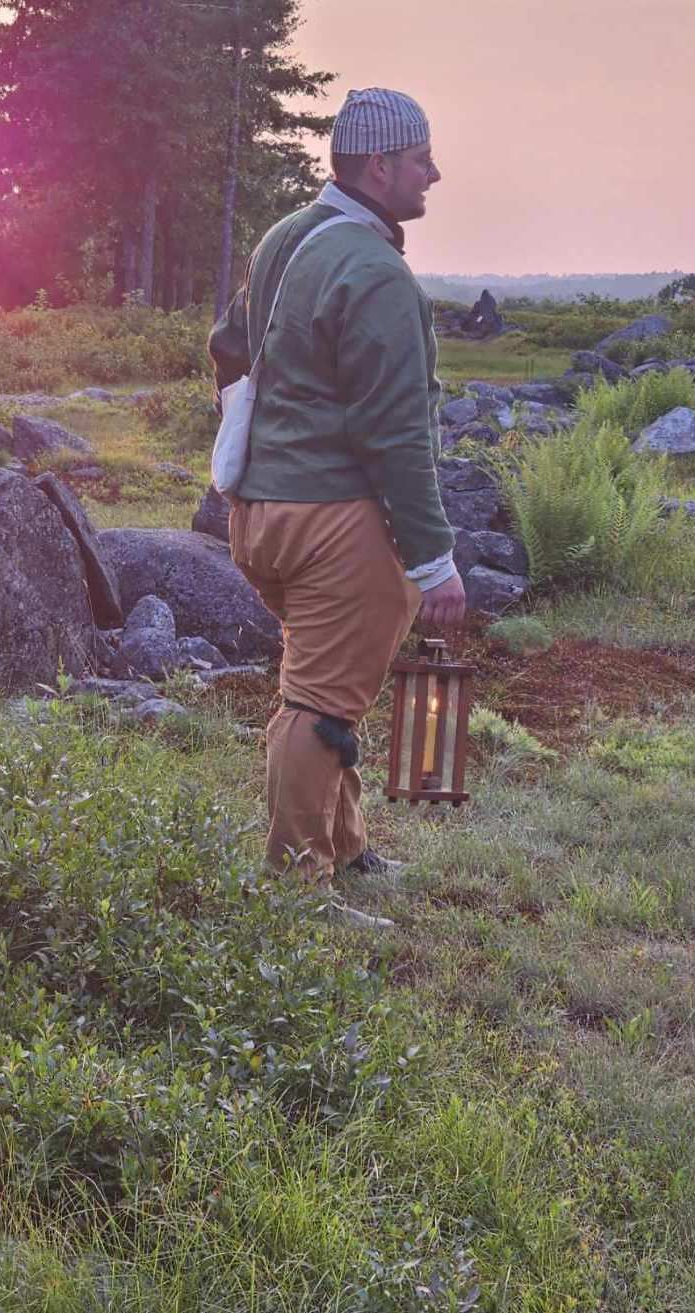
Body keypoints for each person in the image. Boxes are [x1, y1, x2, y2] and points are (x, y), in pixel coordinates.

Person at [209, 87, 465, 923]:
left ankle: (348, 846)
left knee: (327, 683)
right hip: (334, 523)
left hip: (259, 514)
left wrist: (262, 445)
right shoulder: (377, 271)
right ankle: (296, 890)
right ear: (379, 166)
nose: (434, 171)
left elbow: (228, 346)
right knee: (318, 704)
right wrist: (435, 562)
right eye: (421, 158)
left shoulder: (287, 237)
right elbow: (398, 434)